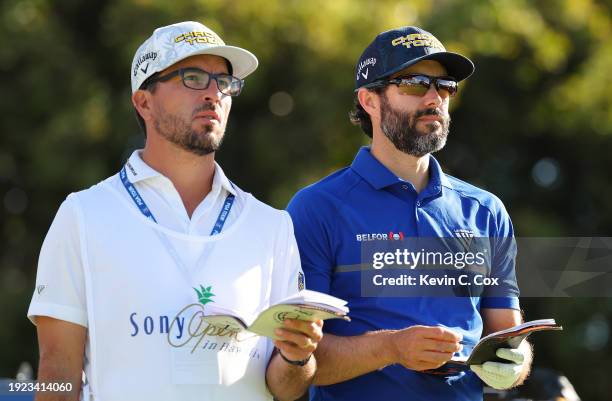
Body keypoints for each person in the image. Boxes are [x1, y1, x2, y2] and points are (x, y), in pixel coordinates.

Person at [28, 21, 321, 401]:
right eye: (194, 77)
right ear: (144, 102)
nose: (214, 94)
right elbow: (56, 375)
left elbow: (286, 388)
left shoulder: (272, 226)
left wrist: (298, 359)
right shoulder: (82, 216)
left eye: (224, 82)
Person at [287, 26, 532, 401]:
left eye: (445, 86)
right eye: (416, 83)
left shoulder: (486, 211)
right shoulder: (316, 208)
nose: (435, 97)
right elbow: (297, 362)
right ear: (369, 100)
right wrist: (393, 347)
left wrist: (515, 364)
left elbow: (507, 336)